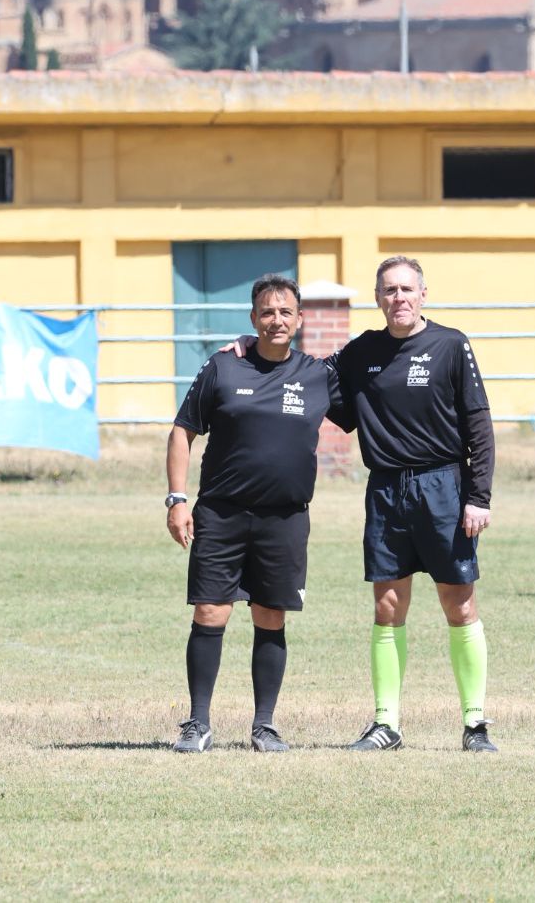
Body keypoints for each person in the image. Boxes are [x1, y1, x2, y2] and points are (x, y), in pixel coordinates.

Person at [222, 254, 497, 753]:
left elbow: (479, 423)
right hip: (387, 491)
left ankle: (475, 725)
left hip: (444, 489)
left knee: (460, 603)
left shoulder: (451, 345)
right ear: (377, 298)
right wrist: (252, 344)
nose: (399, 299)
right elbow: (304, 372)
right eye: (389, 291)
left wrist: (478, 496)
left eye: (407, 290)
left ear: (423, 295)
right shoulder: (361, 352)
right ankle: (386, 723)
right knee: (388, 605)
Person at [164, 273, 348, 753]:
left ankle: (264, 724)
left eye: (286, 312)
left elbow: (370, 402)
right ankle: (197, 723)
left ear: (301, 319)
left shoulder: (318, 375)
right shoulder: (223, 367)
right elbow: (183, 430)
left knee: (271, 617)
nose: (276, 320)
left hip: (284, 519)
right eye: (267, 312)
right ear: (253, 319)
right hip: (221, 515)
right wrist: (177, 498)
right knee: (210, 612)